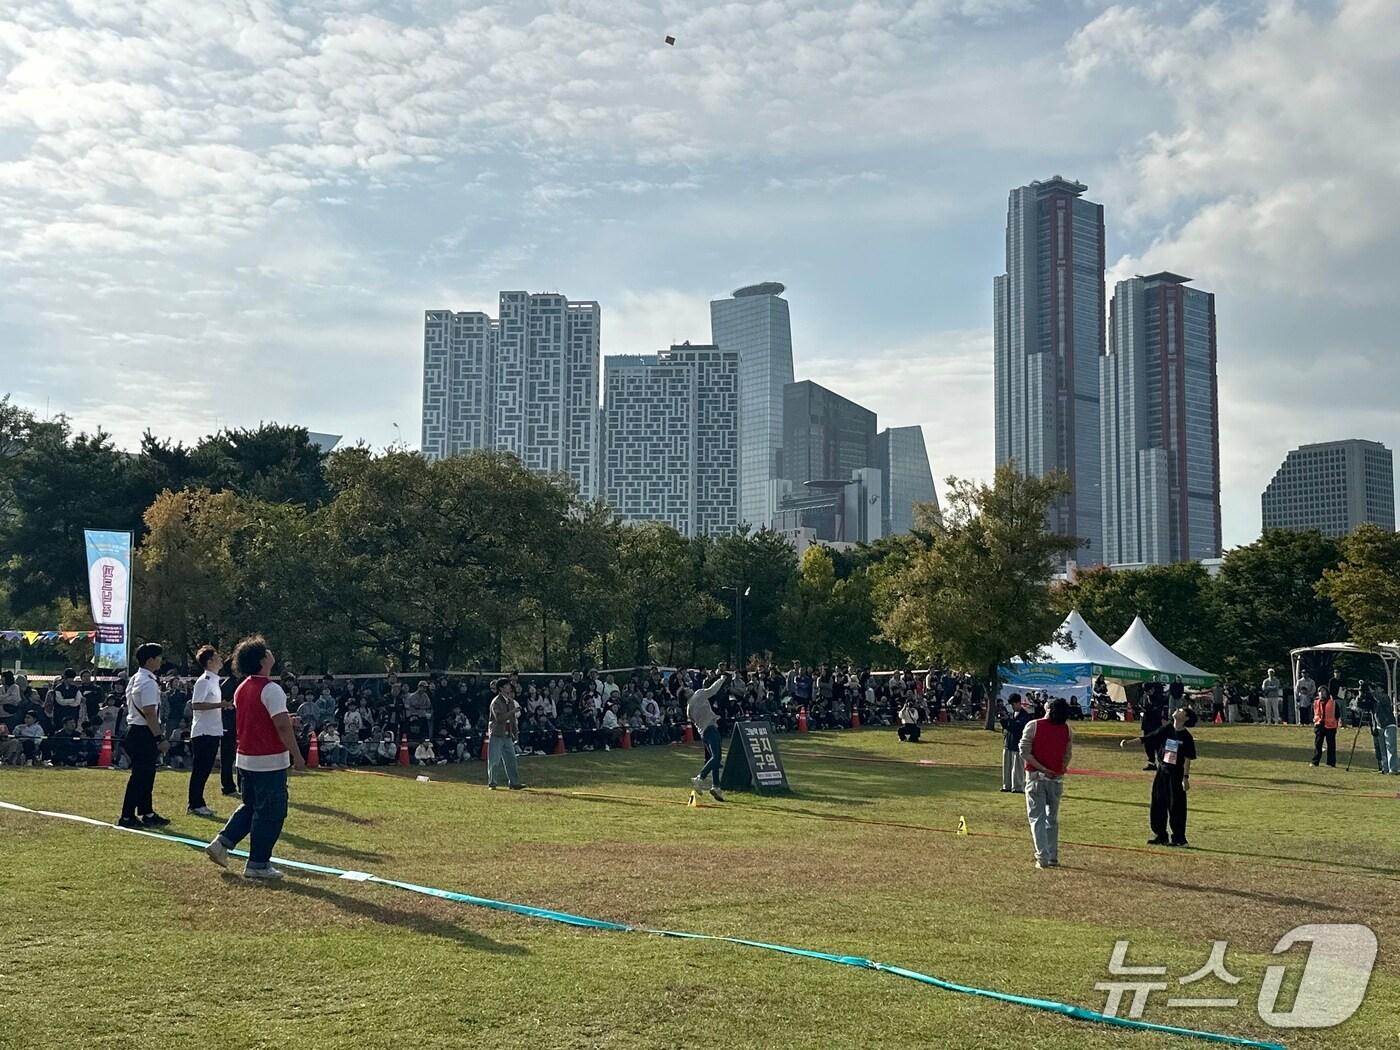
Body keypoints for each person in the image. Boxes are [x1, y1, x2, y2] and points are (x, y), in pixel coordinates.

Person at [205, 636, 306, 879]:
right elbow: (281, 727)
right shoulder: (271, 689)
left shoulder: (243, 687)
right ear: (262, 660)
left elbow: (259, 719)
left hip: (246, 758)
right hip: (268, 760)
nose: (271, 653)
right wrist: (298, 755)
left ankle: (222, 843)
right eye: (267, 651)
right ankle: (258, 863)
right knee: (271, 812)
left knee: (250, 806)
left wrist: (285, 721)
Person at [1123, 706, 1197, 847]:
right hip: (1162, 771)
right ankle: (1161, 835)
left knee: (1176, 806)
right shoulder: (1167, 729)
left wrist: (1185, 778)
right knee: (1158, 803)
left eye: (1181, 710)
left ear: (1186, 718)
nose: (1177, 710)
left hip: (1176, 774)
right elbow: (1149, 738)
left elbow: (1188, 758)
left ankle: (1179, 839)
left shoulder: (1186, 737)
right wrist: (1128, 743)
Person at [119, 643, 171, 829]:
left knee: (146, 774)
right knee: (141, 775)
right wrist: (159, 738)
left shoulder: (136, 678)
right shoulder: (148, 682)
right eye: (158, 657)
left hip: (136, 729)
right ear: (150, 660)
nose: (161, 661)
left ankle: (147, 812)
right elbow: (150, 712)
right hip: (144, 732)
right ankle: (127, 815)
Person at [1018, 697, 1072, 869]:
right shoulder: (1067, 729)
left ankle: (1042, 857)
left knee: (1037, 819)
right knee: (1052, 819)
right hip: (1056, 779)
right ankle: (1052, 855)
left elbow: (1024, 752)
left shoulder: (1033, 726)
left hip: (1036, 778)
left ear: (1049, 709)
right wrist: (1059, 769)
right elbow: (1067, 754)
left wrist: (1042, 768)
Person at [187, 646, 225, 817]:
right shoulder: (204, 680)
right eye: (216, 657)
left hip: (213, 729)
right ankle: (195, 803)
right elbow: (196, 705)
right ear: (209, 661)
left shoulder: (214, 680)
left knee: (206, 768)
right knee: (200, 769)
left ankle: (198, 802)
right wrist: (220, 705)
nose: (220, 659)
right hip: (203, 731)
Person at [687, 672, 729, 802]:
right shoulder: (698, 694)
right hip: (710, 729)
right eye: (686, 688)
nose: (688, 687)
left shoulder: (688, 709)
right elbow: (712, 690)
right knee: (717, 757)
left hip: (703, 733)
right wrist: (722, 679)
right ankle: (700, 778)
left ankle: (716, 787)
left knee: (714, 759)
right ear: (687, 694)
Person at [486, 678, 523, 790]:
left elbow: (512, 720)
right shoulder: (495, 702)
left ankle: (514, 782)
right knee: (494, 760)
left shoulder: (511, 701)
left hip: (507, 735)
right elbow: (499, 718)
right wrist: (512, 712)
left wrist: (515, 732)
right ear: (501, 688)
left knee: (511, 759)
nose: (509, 687)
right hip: (497, 734)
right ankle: (492, 783)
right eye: (507, 685)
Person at [999, 694, 1031, 792]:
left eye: (1013, 704)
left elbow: (1018, 728)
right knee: (1007, 767)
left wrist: (1008, 721)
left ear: (1018, 703)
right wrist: (1003, 720)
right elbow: (1008, 727)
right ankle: (1007, 785)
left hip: (1017, 744)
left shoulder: (1025, 716)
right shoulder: (1012, 714)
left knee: (1017, 768)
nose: (1012, 707)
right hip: (1009, 743)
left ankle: (1017, 787)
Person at [1311, 682, 1340, 768]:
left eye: (1323, 691)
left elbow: (1337, 714)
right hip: (1319, 725)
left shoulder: (1333, 703)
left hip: (1330, 726)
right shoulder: (1316, 703)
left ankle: (1331, 763)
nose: (1322, 693)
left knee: (1331, 745)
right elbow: (1313, 713)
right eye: (1320, 691)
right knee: (1318, 744)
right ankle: (1315, 762)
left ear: (1327, 693)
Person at [1373, 689, 1399, 775]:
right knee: (1382, 749)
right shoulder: (1373, 699)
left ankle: (1393, 769)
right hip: (1379, 725)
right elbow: (1360, 705)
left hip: (1389, 724)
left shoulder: (1385, 697)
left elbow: (1380, 700)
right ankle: (1385, 768)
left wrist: (1373, 692)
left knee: (1390, 747)